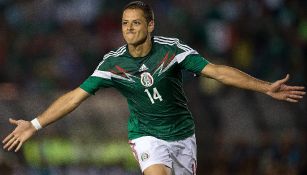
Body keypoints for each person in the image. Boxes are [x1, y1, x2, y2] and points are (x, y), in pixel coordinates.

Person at [2, 1, 306, 175]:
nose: (129, 29)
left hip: (183, 135)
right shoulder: (112, 63)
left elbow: (218, 72)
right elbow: (74, 97)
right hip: (146, 135)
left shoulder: (172, 51)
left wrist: (266, 87)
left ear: (150, 25)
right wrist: (35, 123)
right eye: (124, 23)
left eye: (136, 23)